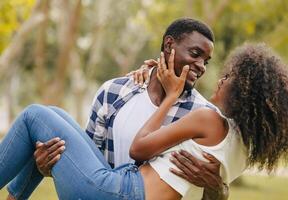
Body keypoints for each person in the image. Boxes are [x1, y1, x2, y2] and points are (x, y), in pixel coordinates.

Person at [1, 43, 288, 200]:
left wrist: (171, 95)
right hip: (117, 186)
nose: (220, 78)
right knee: (55, 116)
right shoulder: (242, 147)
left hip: (114, 192)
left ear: (247, 93)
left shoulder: (208, 118)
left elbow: (139, 149)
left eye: (231, 77)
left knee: (33, 115)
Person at [6, 18, 229, 200]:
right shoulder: (114, 92)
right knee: (52, 117)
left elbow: (215, 186)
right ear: (169, 45)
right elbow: (86, 165)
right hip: (104, 190)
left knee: (35, 116)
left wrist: (218, 190)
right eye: (195, 54)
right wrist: (45, 165)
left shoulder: (203, 115)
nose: (201, 66)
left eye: (206, 61)